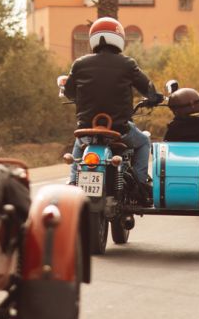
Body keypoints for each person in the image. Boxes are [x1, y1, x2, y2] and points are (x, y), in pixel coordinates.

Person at [63, 17, 161, 197]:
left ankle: (72, 181)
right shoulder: (128, 64)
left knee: (79, 143)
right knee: (144, 142)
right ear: (119, 38)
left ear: (93, 38)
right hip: (119, 130)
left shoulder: (79, 64)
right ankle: (140, 186)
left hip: (87, 130)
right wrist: (155, 98)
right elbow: (148, 89)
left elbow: (69, 92)